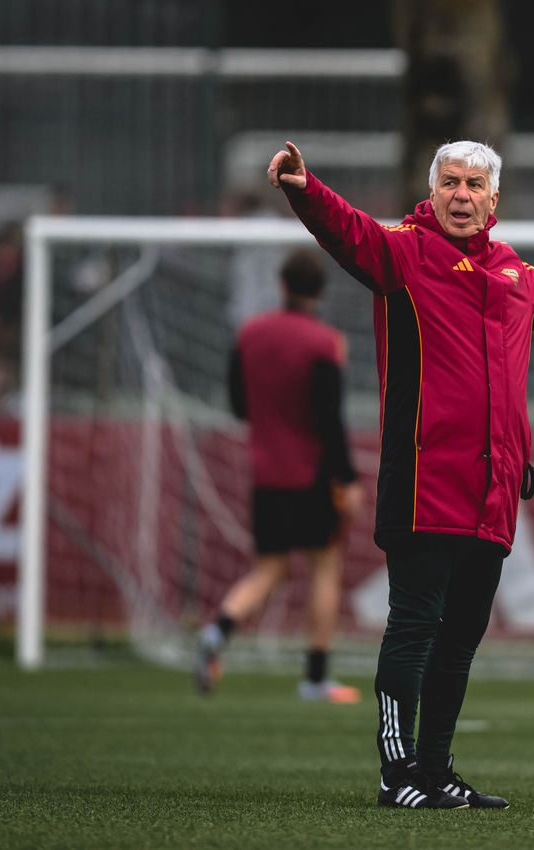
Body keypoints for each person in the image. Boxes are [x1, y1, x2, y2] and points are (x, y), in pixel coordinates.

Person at [267, 139, 534, 810]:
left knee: (459, 642)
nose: (462, 194)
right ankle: (397, 776)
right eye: (450, 182)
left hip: (493, 491)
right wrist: (304, 188)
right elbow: (346, 231)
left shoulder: (513, 273)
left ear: (494, 199)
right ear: (433, 189)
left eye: (475, 184)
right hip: (423, 482)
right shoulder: (402, 255)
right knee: (413, 628)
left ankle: (437, 771)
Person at [194, 248, 366, 705]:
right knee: (324, 569)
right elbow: (331, 419)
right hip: (313, 474)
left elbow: (237, 405)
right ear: (319, 291)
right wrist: (347, 480)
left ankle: (217, 630)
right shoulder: (325, 342)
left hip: (266, 473)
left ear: (283, 285)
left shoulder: (250, 335)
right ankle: (314, 677)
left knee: (268, 570)